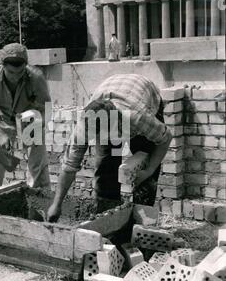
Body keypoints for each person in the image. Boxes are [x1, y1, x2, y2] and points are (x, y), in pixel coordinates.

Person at [47, 74, 172, 223]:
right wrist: (56, 204)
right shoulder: (85, 126)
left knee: (145, 173)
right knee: (106, 172)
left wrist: (149, 170)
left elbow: (165, 139)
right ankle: (108, 223)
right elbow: (69, 167)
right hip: (114, 89)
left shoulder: (138, 118)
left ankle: (141, 225)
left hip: (144, 94)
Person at [0, 43, 51, 191]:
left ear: (26, 66)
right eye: (11, 72)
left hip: (30, 121)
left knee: (38, 167)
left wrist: (36, 126)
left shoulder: (36, 77)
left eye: (20, 72)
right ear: (2, 66)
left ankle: (39, 204)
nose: (16, 77)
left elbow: (46, 109)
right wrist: (1, 135)